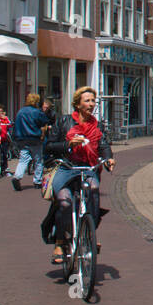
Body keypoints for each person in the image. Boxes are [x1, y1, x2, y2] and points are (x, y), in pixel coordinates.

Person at [42, 86, 115, 263]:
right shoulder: (64, 121)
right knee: (65, 201)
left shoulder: (96, 125)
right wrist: (68, 144)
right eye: (87, 101)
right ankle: (60, 242)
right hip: (66, 167)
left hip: (88, 168)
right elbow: (49, 146)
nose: (91, 104)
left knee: (94, 188)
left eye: (93, 101)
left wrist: (108, 158)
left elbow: (103, 145)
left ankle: (89, 234)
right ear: (78, 103)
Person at [10, 92, 51, 191]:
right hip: (35, 139)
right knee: (38, 160)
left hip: (22, 140)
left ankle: (17, 176)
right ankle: (37, 181)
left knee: (23, 160)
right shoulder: (36, 112)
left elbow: (17, 125)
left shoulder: (20, 112)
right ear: (37, 102)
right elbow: (44, 121)